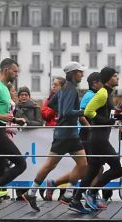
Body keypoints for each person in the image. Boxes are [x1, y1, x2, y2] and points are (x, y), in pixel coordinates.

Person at [0, 58, 34, 210]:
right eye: (15, 71)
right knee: (21, 164)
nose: (16, 74)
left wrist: (15, 119)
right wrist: (3, 118)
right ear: (6, 70)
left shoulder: (4, 88)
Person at [33, 62, 88, 210]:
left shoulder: (64, 88)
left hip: (69, 134)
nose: (82, 75)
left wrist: (64, 110)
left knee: (83, 164)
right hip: (66, 134)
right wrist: (83, 112)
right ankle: (32, 193)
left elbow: (51, 104)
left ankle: (68, 195)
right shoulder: (71, 89)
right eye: (80, 72)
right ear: (73, 74)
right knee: (50, 165)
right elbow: (66, 112)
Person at [71, 67, 122, 210]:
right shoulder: (103, 93)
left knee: (92, 170)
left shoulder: (107, 93)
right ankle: (92, 193)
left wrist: (118, 117)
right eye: (115, 76)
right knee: (118, 168)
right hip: (99, 139)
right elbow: (88, 111)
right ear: (108, 78)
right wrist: (108, 122)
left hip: (98, 137)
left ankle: (75, 200)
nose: (117, 78)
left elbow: (105, 112)